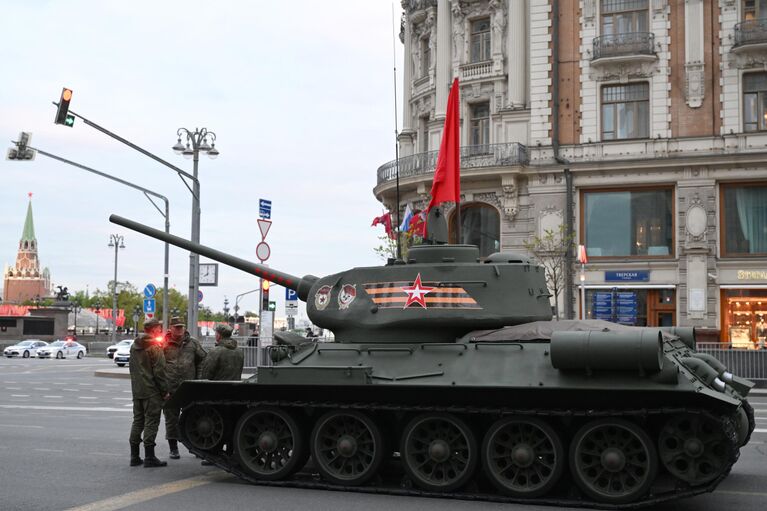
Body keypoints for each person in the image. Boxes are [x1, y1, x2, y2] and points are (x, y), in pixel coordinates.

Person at [199, 324, 244, 466]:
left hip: (217, 393)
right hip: (235, 392)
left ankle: (214, 453)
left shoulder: (216, 351)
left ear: (218, 335)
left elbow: (206, 374)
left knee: (216, 424)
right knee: (232, 421)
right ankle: (231, 452)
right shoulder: (239, 351)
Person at [163, 316, 207, 460]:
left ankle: (198, 447)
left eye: (181, 327)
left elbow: (203, 359)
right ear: (170, 328)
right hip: (171, 388)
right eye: (176, 327)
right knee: (171, 419)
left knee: (195, 418)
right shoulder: (163, 344)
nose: (179, 330)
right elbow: (156, 365)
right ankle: (173, 448)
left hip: (189, 387)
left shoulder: (193, 343)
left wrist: (199, 379)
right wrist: (163, 388)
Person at [128, 319, 170, 468]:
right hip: (151, 391)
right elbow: (160, 371)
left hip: (137, 390)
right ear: (153, 330)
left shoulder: (134, 346)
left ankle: (134, 456)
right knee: (151, 422)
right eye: (159, 328)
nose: (160, 330)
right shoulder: (154, 347)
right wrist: (165, 391)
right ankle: (150, 457)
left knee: (138, 421)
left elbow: (132, 368)